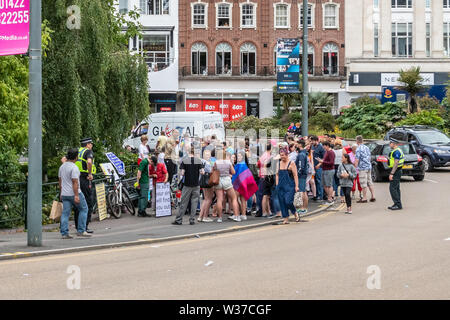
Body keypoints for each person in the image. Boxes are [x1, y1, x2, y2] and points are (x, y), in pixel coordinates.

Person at [58, 148, 91, 238]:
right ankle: (81, 230)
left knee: (65, 213)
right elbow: (75, 182)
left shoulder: (62, 167)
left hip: (65, 194)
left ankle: (64, 233)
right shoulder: (74, 167)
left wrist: (61, 193)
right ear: (76, 157)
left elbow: (60, 182)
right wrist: (76, 195)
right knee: (84, 209)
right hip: (74, 193)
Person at [172, 145, 204, 225]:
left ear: (188, 152)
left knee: (183, 202)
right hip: (196, 184)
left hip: (187, 185)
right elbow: (202, 172)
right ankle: (192, 220)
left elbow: (182, 173)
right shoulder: (198, 160)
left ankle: (179, 220)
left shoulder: (185, 160)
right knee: (194, 202)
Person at [75, 138, 96, 233]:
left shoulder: (77, 151)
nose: (91, 145)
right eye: (91, 144)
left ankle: (78, 225)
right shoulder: (88, 152)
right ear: (87, 144)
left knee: (78, 203)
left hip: (76, 178)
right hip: (85, 178)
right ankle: (85, 226)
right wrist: (90, 173)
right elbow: (89, 162)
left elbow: (63, 159)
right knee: (88, 202)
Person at [214, 148, 240, 222]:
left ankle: (219, 218)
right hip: (227, 180)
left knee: (219, 199)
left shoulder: (216, 162)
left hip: (218, 181)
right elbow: (233, 172)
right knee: (234, 198)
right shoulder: (228, 162)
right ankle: (236, 216)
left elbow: (213, 171)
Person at [232, 150, 258, 221]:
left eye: (239, 156)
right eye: (238, 156)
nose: (238, 157)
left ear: (243, 157)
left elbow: (237, 176)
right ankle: (243, 215)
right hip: (243, 184)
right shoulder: (244, 164)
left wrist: (234, 180)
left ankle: (236, 215)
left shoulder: (240, 165)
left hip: (238, 185)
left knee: (235, 199)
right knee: (242, 200)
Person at [275, 148, 299, 224]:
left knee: (288, 201)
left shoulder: (291, 163)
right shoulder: (278, 164)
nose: (282, 157)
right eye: (280, 155)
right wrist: (277, 184)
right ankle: (285, 218)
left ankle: (294, 212)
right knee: (282, 202)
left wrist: (296, 186)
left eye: (283, 155)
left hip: (290, 186)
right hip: (281, 186)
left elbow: (295, 175)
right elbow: (277, 175)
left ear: (287, 155)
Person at [354, 135, 376, 203]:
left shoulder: (358, 149)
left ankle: (364, 198)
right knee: (370, 181)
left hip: (362, 168)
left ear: (357, 141)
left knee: (363, 183)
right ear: (362, 140)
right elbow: (369, 157)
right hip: (369, 166)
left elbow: (357, 160)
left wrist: (355, 168)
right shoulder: (367, 147)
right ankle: (373, 196)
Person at [387, 138, 405, 210]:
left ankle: (398, 204)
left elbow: (396, 163)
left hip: (396, 171)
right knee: (396, 188)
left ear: (393, 144)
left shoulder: (396, 151)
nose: (389, 144)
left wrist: (392, 173)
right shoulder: (397, 150)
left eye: (390, 143)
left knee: (392, 188)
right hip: (397, 170)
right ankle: (397, 203)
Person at [198, 149, 214, 222]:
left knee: (205, 199)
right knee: (209, 199)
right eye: (207, 155)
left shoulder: (201, 161)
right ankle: (205, 216)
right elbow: (211, 171)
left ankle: (200, 216)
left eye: (209, 154)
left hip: (202, 181)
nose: (209, 156)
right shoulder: (207, 163)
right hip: (207, 181)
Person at [296, 140, 309, 214]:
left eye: (297, 144)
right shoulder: (304, 153)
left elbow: (301, 166)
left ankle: (302, 208)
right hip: (304, 175)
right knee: (303, 191)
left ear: (300, 145)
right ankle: (305, 208)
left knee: (301, 192)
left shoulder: (301, 154)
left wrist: (297, 174)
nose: (296, 145)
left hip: (301, 175)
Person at [311, 136, 325, 201]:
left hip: (319, 167)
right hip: (313, 167)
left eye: (312, 141)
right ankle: (316, 195)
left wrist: (319, 164)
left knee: (319, 181)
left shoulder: (321, 148)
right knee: (315, 181)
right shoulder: (313, 147)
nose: (311, 142)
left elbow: (324, 158)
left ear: (316, 140)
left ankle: (320, 195)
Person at [333, 139, 346, 204]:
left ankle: (334, 195)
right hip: (341, 167)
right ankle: (342, 198)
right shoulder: (343, 150)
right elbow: (345, 159)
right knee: (342, 183)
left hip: (334, 167)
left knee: (335, 182)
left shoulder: (332, 150)